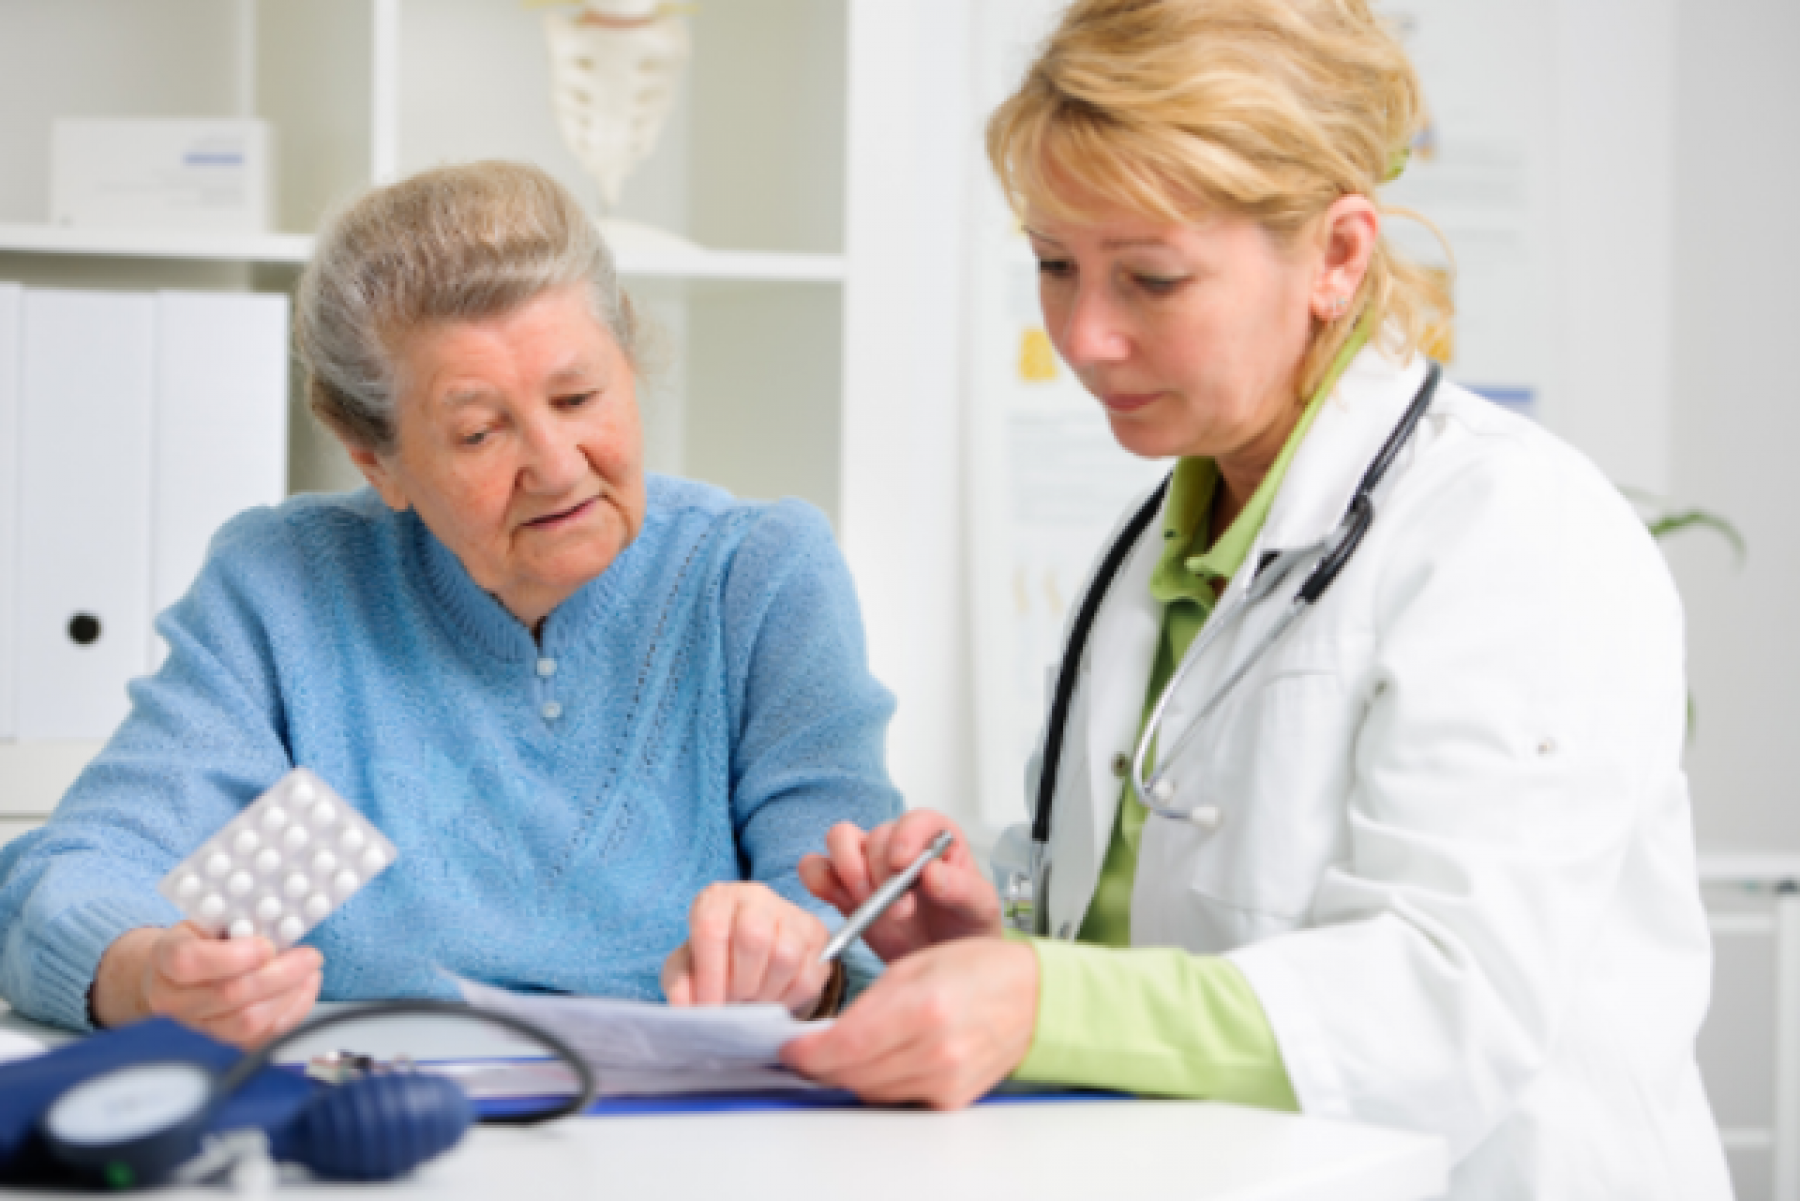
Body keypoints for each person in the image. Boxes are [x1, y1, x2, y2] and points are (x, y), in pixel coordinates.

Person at [662, 2, 1731, 1196]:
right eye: (1055, 265)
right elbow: (1151, 956)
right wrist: (989, 945)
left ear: (1336, 255)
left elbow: (1445, 1001)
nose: (1087, 336)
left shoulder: (1515, 533)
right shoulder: (1163, 538)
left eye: (1153, 278)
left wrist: (1043, 998)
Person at [0, 161, 898, 1045]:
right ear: (376, 460)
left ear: (629, 360)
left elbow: (857, 913)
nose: (555, 464)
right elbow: (66, 877)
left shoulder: (758, 575)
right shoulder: (288, 587)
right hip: (363, 1121)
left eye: (579, 395)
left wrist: (802, 959)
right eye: (478, 430)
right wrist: (146, 972)